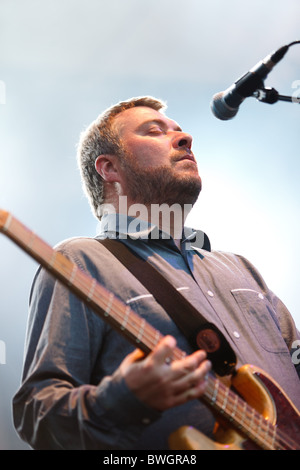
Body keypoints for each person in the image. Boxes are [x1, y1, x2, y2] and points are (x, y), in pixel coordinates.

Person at [13, 96, 300, 450]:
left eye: (179, 130)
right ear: (109, 169)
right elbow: (36, 414)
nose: (185, 138)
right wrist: (124, 399)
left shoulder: (241, 269)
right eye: (155, 131)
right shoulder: (81, 261)